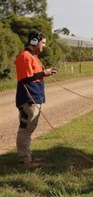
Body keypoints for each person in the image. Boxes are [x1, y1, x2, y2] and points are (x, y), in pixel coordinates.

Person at [14, 30, 57, 167]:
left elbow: (34, 75)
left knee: (29, 128)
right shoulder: (25, 56)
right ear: (34, 42)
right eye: (42, 43)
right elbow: (26, 78)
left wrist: (45, 73)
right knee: (25, 129)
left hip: (34, 97)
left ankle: (28, 157)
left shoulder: (33, 56)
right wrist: (44, 73)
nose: (44, 46)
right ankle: (24, 160)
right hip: (28, 98)